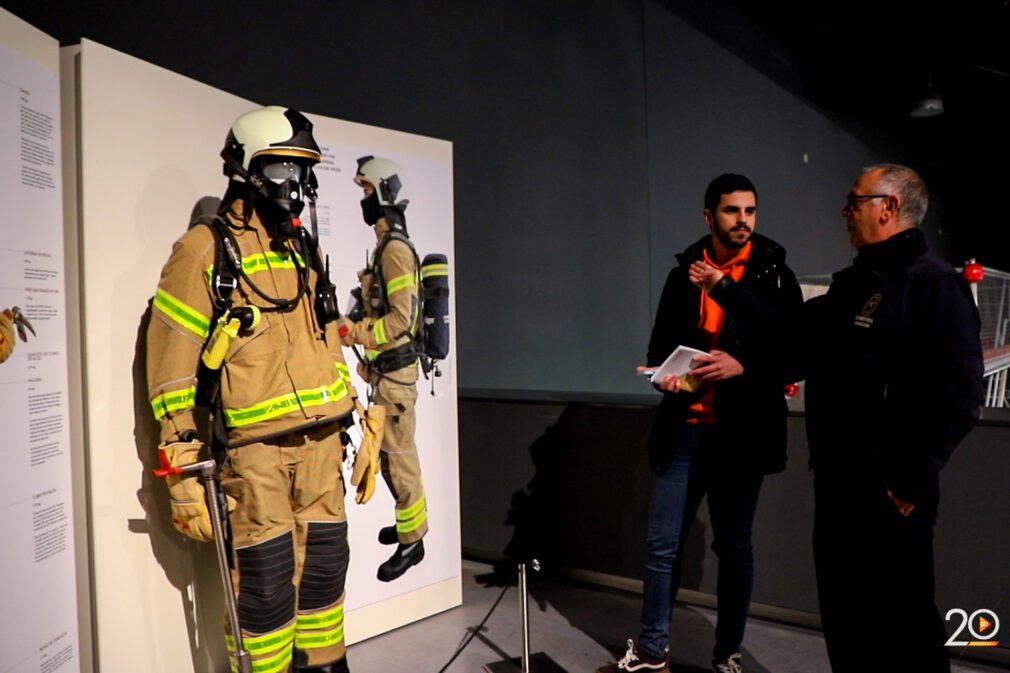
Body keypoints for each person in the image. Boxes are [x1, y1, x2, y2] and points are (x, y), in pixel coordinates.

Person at [147, 106, 360, 673]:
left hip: (320, 448)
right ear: (246, 168)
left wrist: (354, 421)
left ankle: (326, 663)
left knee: (324, 569)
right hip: (253, 455)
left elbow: (323, 342)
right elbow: (169, 372)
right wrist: (183, 474)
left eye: (303, 169)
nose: (296, 184)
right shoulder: (201, 253)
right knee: (263, 586)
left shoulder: (301, 250)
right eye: (282, 167)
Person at [598, 174, 802, 673]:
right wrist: (665, 379)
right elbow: (658, 354)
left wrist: (745, 366)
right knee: (661, 546)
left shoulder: (774, 273)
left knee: (735, 547)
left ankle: (727, 655)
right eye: (732, 212)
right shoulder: (682, 276)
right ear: (709, 217)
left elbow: (796, 353)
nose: (743, 221)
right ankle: (652, 651)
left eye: (750, 211)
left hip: (742, 433)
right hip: (684, 429)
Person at [804, 164, 984, 672]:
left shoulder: (934, 285)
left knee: (904, 633)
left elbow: (962, 395)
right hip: (838, 486)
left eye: (854, 200)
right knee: (847, 627)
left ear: (888, 208)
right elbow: (803, 342)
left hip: (890, 497)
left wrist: (910, 479)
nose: (845, 211)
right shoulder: (856, 283)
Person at [336, 156, 429, 582]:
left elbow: (400, 321)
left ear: (384, 194)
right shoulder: (386, 245)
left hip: (396, 376)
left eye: (367, 191)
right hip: (388, 374)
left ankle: (413, 543)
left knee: (398, 459)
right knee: (390, 456)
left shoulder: (393, 250)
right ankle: (409, 525)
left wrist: (352, 332)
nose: (364, 200)